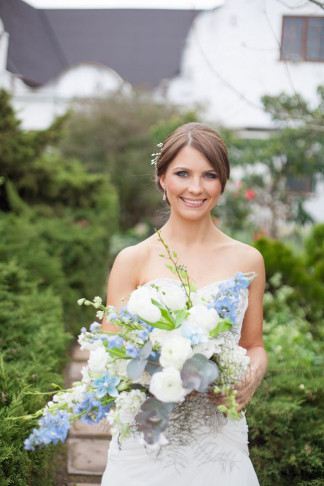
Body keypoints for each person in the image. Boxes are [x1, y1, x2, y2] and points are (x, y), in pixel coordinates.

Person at [101, 122, 267, 485]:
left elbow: (253, 345)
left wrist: (249, 380)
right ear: (162, 179)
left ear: (222, 183)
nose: (195, 187)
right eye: (182, 173)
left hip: (219, 431)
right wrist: (159, 368)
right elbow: (110, 353)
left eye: (209, 175)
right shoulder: (132, 260)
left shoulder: (248, 261)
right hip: (146, 437)